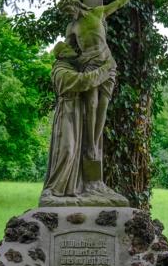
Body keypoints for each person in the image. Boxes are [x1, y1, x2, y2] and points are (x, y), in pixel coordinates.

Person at [56, 0, 155, 203]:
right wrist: (62, 67)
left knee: (102, 107)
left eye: (69, 10)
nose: (68, 15)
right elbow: (67, 50)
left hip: (108, 66)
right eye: (66, 13)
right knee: (90, 104)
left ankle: (94, 143)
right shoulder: (72, 27)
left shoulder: (97, 13)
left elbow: (120, 2)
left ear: (75, 4)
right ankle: (90, 145)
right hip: (90, 66)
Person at [40, 41, 116, 206]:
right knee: (66, 148)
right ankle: (54, 189)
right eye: (67, 48)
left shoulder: (71, 68)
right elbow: (83, 81)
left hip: (77, 113)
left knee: (76, 150)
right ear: (61, 54)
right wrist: (105, 69)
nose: (72, 48)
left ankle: (73, 187)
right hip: (67, 112)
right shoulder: (61, 72)